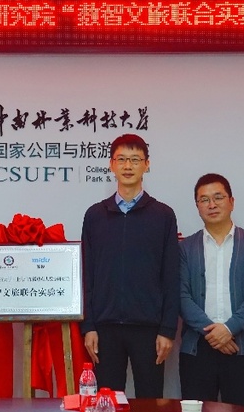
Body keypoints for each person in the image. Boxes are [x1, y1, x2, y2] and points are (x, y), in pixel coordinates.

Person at [80, 134, 179, 398]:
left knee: (150, 400)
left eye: (135, 160)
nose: (128, 166)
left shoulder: (163, 215)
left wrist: (167, 330)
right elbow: (87, 275)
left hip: (149, 329)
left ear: (147, 164)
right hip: (105, 329)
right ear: (111, 165)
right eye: (121, 159)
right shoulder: (95, 215)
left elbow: (171, 276)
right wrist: (89, 326)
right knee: (107, 401)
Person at [178, 173, 244, 408]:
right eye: (204, 199)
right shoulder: (185, 248)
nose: (212, 204)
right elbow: (181, 296)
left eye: (218, 197)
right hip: (197, 350)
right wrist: (213, 333)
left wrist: (228, 329)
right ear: (197, 206)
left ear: (231, 201)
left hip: (241, 348)